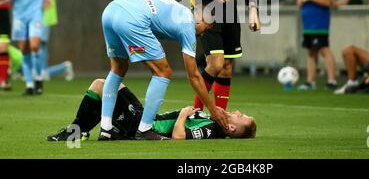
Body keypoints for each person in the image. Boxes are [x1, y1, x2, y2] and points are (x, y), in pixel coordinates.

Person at [99, 0, 229, 141]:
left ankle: (106, 129)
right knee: (163, 72)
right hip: (132, 18)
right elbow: (193, 75)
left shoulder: (180, 10)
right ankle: (145, 130)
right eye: (207, 29)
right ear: (203, 19)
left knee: (118, 68)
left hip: (111, 10)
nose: (203, 34)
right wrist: (213, 110)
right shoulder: (188, 25)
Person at [48, 78, 256, 141]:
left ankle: (75, 131)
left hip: (142, 126)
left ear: (231, 128)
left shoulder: (212, 130)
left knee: (101, 86)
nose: (238, 112)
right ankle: (79, 131)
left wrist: (183, 115)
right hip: (144, 117)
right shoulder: (214, 121)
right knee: (109, 86)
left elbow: (178, 137)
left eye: (241, 117)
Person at [296, 0, 337, 90]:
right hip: (308, 26)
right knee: (311, 52)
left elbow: (328, 2)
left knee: (324, 50)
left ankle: (332, 80)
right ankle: (310, 82)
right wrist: (301, 1)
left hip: (319, 24)